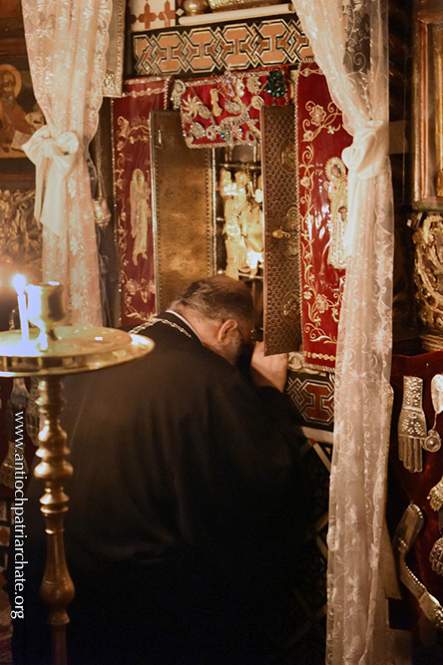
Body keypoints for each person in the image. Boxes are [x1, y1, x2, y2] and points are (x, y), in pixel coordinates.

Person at [11, 275, 307, 665]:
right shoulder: (209, 377)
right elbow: (264, 475)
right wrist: (268, 391)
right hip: (129, 583)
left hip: (42, 552)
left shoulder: (113, 344)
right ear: (229, 330)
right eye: (245, 341)